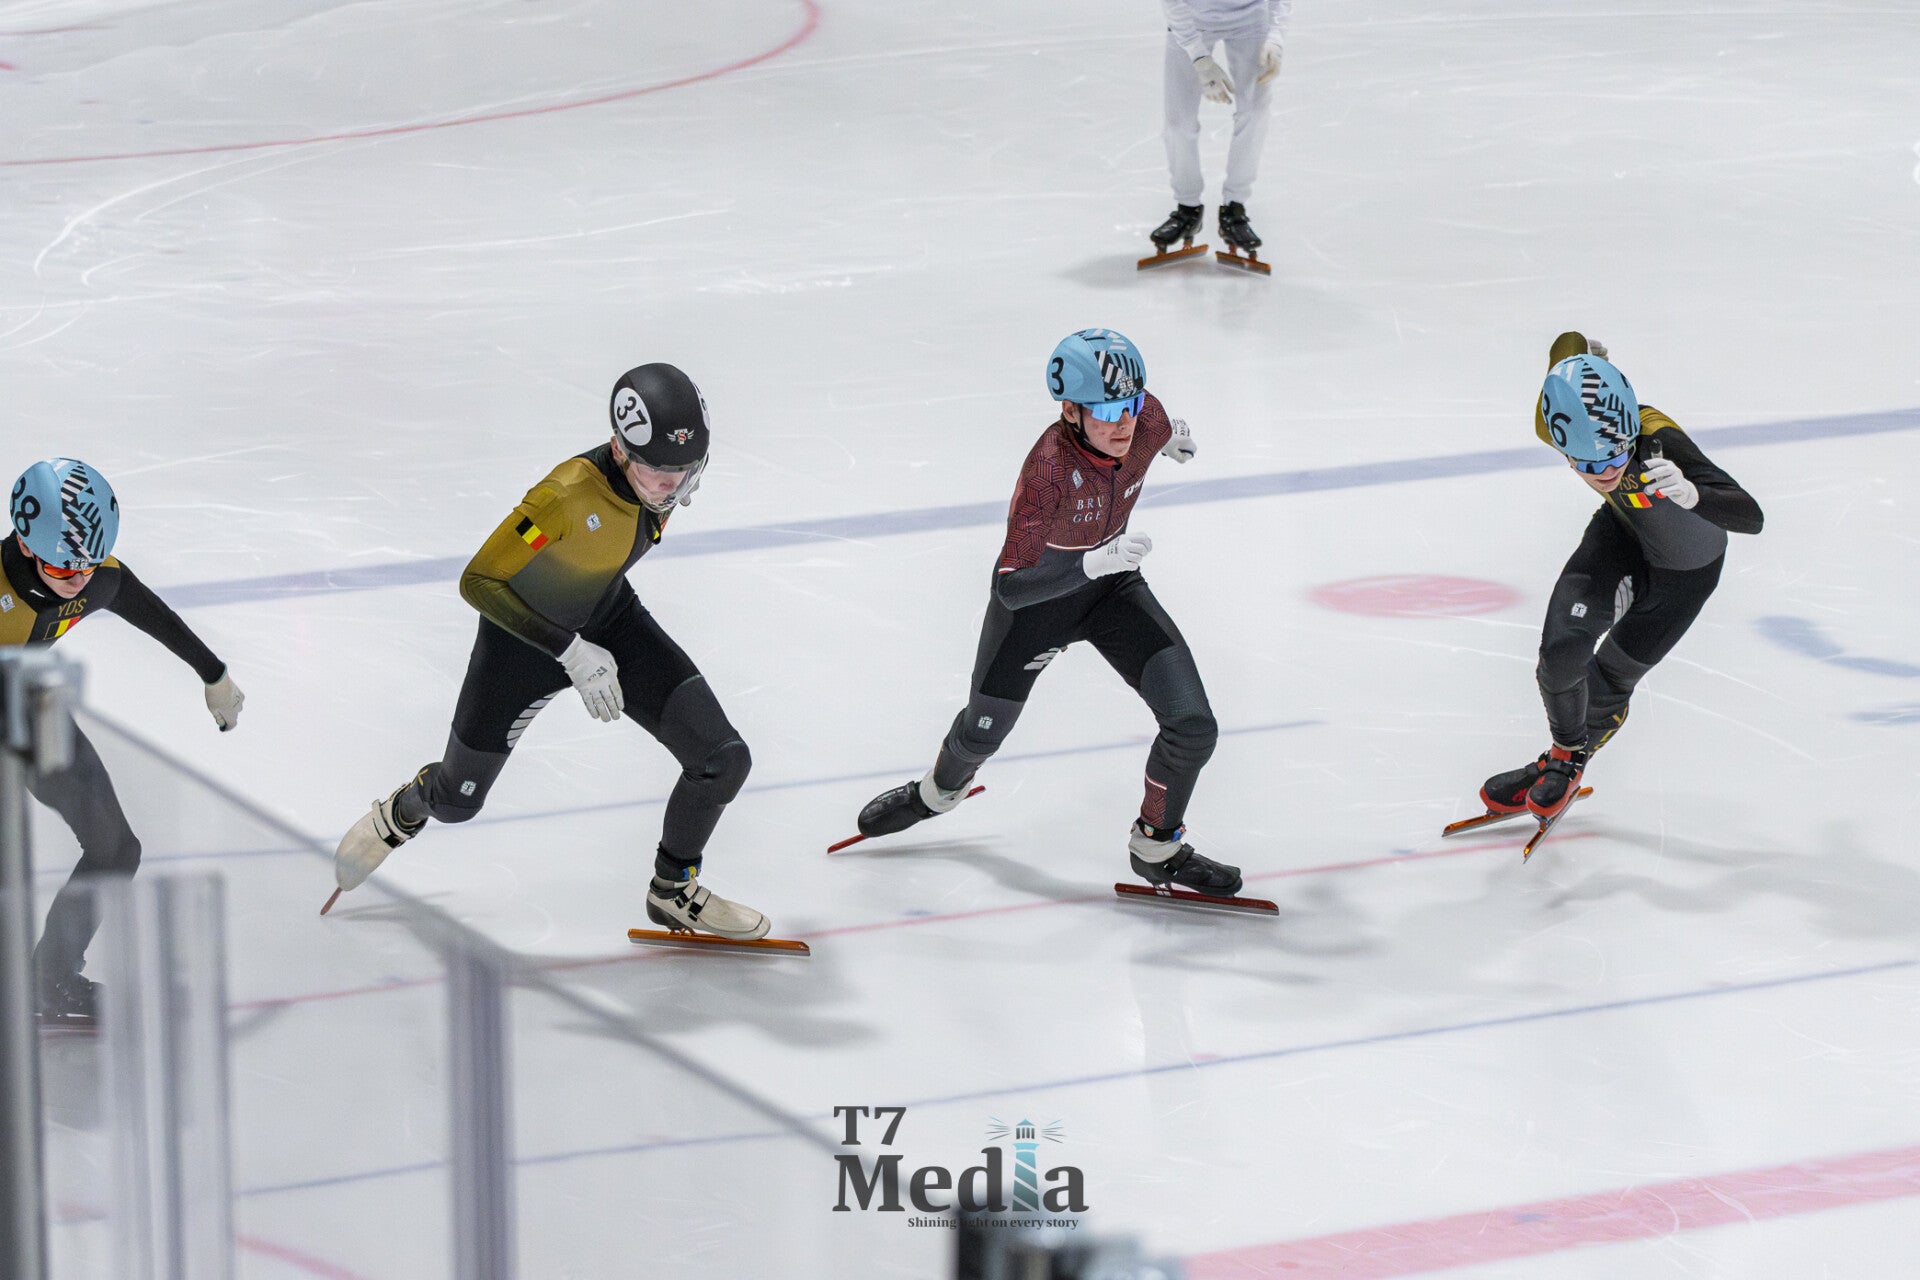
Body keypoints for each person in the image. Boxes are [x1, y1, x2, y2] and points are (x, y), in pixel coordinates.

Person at [328, 364, 769, 940]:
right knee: (458, 802)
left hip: (609, 620)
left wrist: (590, 639)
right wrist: (571, 650)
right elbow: (479, 582)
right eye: (657, 471)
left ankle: (672, 892)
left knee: (723, 760)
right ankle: (405, 810)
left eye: (684, 471)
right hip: (521, 647)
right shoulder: (564, 497)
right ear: (619, 448)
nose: (670, 486)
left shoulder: (659, 483)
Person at [853, 329, 1242, 894]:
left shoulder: (1146, 419)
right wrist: (1090, 563)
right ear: (1070, 411)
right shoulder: (1048, 471)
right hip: (1036, 607)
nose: (1123, 424)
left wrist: (1170, 439)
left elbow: (1157, 423)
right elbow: (1011, 587)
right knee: (979, 736)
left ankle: (1156, 847)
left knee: (1193, 727)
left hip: (1111, 592)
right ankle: (936, 794)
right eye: (1105, 410)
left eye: (1130, 405)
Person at [1479, 334, 1764, 820]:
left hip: (1686, 574)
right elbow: (1564, 354)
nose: (1605, 473)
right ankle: (1564, 758)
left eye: (1615, 458)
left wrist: (1694, 494)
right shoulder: (1556, 421)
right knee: (1560, 653)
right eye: (1587, 467)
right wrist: (1582, 358)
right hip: (1623, 537)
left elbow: (1751, 517)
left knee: (1608, 679)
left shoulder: (1658, 441)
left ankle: (1561, 763)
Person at [4, 458, 245, 1023]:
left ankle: (50, 980)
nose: (80, 582)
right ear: (26, 544)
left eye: (89, 567)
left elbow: (147, 610)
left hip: (27, 706)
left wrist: (213, 674)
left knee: (115, 849)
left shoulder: (93, 573)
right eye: (64, 569)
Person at [1149, 0, 1294, 259]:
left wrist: (1275, 37)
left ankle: (1234, 208)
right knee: (1178, 123)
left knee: (1255, 112)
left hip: (1250, 20)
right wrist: (1199, 58)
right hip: (1191, 19)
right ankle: (1187, 209)